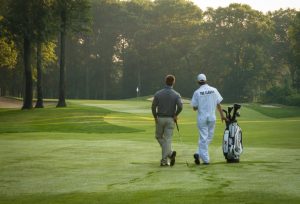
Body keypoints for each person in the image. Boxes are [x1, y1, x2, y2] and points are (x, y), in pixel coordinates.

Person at [191, 73, 226, 165]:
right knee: (208, 137)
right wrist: (222, 115)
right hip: (212, 118)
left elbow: (194, 108)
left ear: (198, 82)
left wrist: (200, 105)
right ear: (206, 80)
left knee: (203, 138)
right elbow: (218, 104)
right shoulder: (214, 90)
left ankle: (201, 156)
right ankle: (203, 158)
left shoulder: (197, 92)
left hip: (202, 118)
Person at [152, 75, 183, 166]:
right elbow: (180, 107)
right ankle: (169, 153)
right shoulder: (176, 94)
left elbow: (153, 106)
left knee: (159, 137)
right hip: (170, 119)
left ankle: (164, 160)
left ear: (165, 81)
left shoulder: (158, 93)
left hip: (160, 118)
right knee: (167, 140)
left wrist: (155, 117)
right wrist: (175, 115)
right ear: (173, 82)